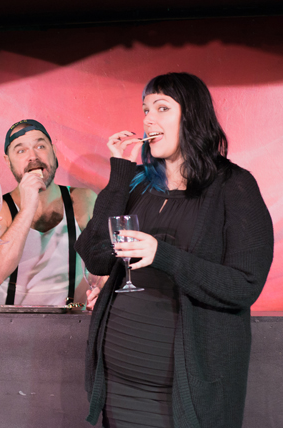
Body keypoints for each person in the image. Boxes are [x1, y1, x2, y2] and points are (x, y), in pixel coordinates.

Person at [75, 73, 274, 427]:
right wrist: (120, 173)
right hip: (120, 385)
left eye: (162, 108)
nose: (148, 119)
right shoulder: (137, 184)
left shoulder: (234, 186)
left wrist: (163, 255)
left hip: (185, 394)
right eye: (145, 110)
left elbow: (245, 285)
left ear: (192, 115)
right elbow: (96, 256)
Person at [0, 119, 98, 307]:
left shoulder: (83, 199)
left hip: (70, 320)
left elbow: (108, 263)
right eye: (21, 150)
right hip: (6, 320)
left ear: (53, 152)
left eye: (40, 146)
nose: (33, 156)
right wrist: (27, 209)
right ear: (8, 161)